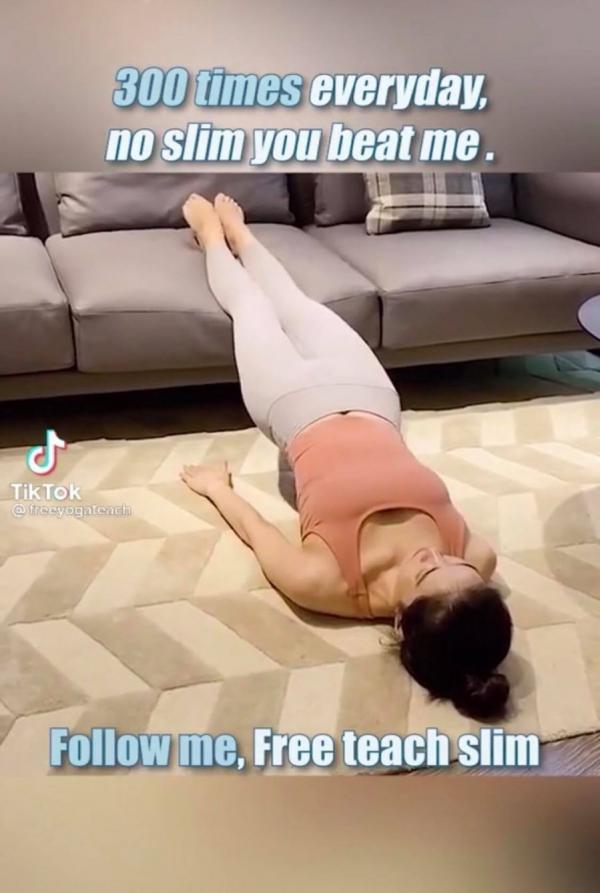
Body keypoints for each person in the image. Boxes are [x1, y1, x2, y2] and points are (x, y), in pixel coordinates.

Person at [179, 193, 513, 720]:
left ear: (400, 619)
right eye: (458, 564)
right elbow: (464, 587)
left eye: (427, 571)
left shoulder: (326, 583)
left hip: (290, 403)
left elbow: (259, 533)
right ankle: (243, 235)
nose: (438, 556)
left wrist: (216, 488)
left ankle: (213, 238)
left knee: (251, 307)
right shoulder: (479, 559)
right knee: (296, 302)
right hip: (372, 395)